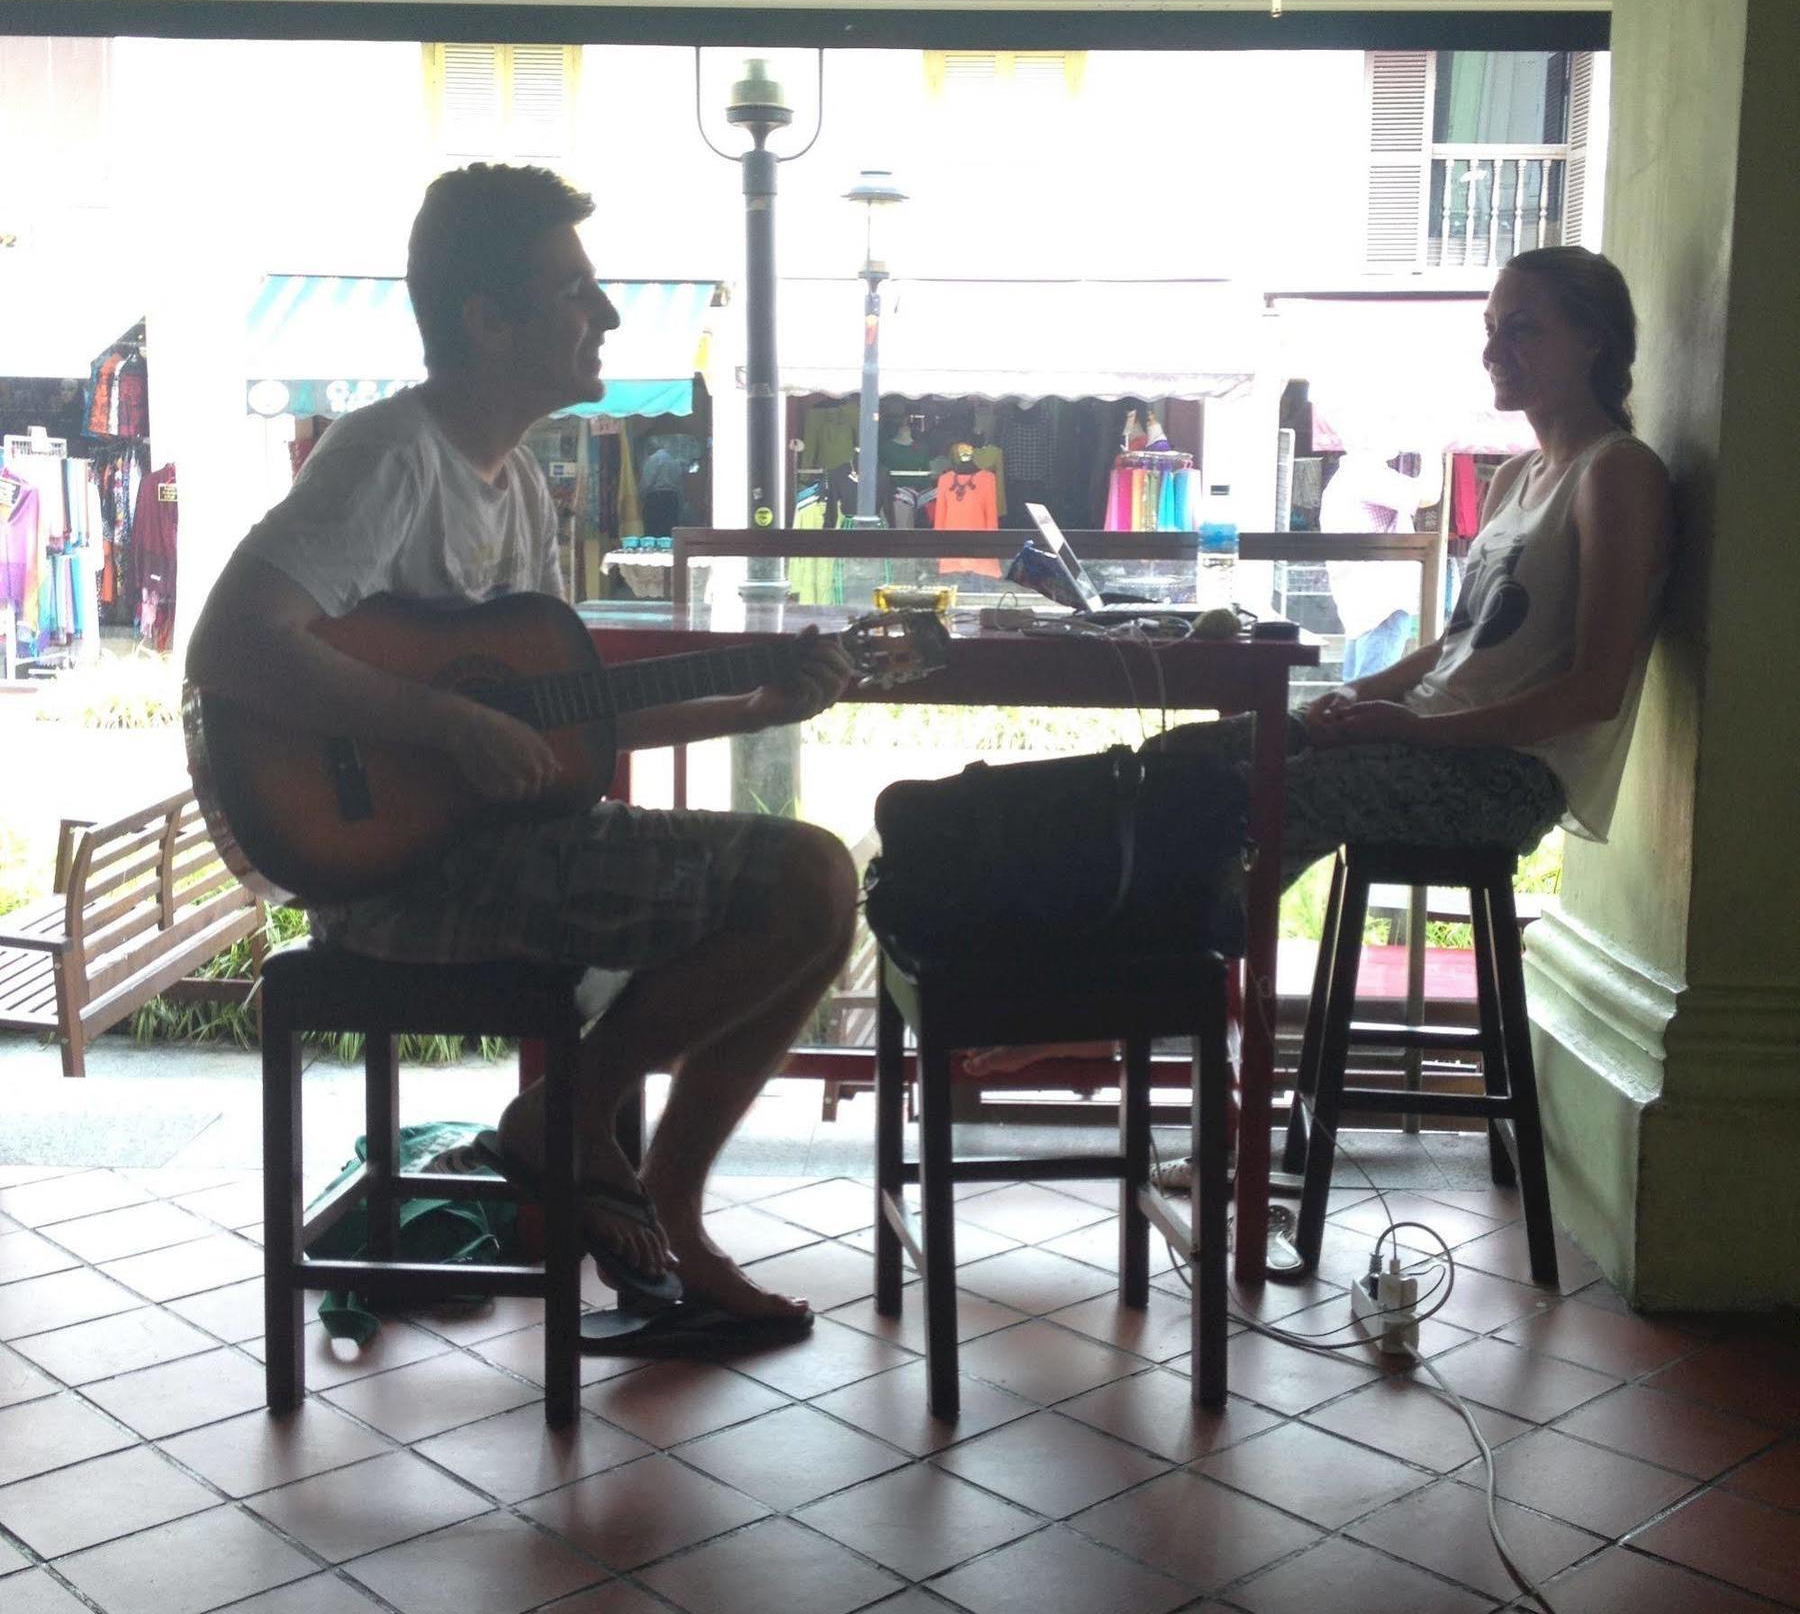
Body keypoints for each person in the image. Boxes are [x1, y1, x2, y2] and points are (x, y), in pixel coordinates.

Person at [188, 163, 857, 1328]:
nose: (602, 318)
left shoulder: (524, 492)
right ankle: (590, 1140)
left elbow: (564, 724)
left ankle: (629, 1176)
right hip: (397, 874)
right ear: (484, 322)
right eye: (574, 293)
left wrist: (752, 705)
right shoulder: (390, 455)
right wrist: (441, 719)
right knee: (808, 882)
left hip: (498, 847)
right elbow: (232, 647)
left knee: (808, 891)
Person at [970, 246, 1673, 1077]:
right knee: (1184, 757)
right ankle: (1117, 989)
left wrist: (1414, 733)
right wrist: (1351, 698)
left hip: (1504, 777)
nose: (1494, 350)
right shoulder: (1522, 472)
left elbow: (1592, 691)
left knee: (1255, 790)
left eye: (1522, 329)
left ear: (1595, 341)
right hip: (1427, 739)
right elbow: (1456, 646)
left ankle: (1128, 1006)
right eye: (1490, 328)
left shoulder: (1616, 474)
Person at [1319, 423, 1445, 681]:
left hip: (1365, 603)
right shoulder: (1366, 474)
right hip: (1380, 602)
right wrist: (1432, 447)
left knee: (1355, 692)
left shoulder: (1350, 475)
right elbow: (1429, 494)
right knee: (1369, 695)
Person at [638, 436, 685, 538]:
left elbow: (647, 482)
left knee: (654, 531)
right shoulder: (674, 461)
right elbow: (679, 484)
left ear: (650, 448)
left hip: (656, 499)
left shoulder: (653, 459)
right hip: (672, 498)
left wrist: (640, 497)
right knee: (669, 530)